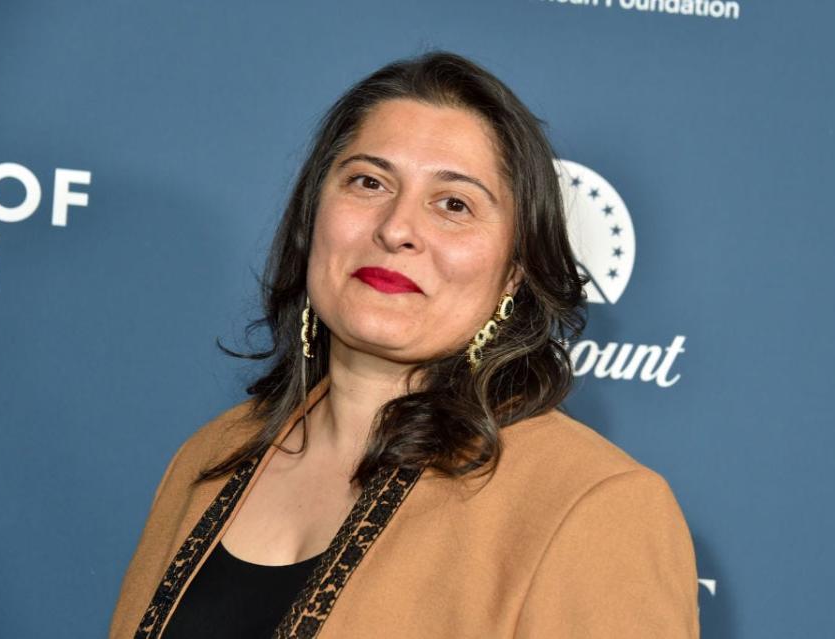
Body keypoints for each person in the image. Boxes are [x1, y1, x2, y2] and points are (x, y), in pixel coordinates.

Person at [109, 49, 699, 639]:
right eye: (368, 182)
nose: (396, 229)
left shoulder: (594, 507)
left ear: (515, 272)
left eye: (454, 205)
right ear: (312, 217)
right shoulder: (212, 456)